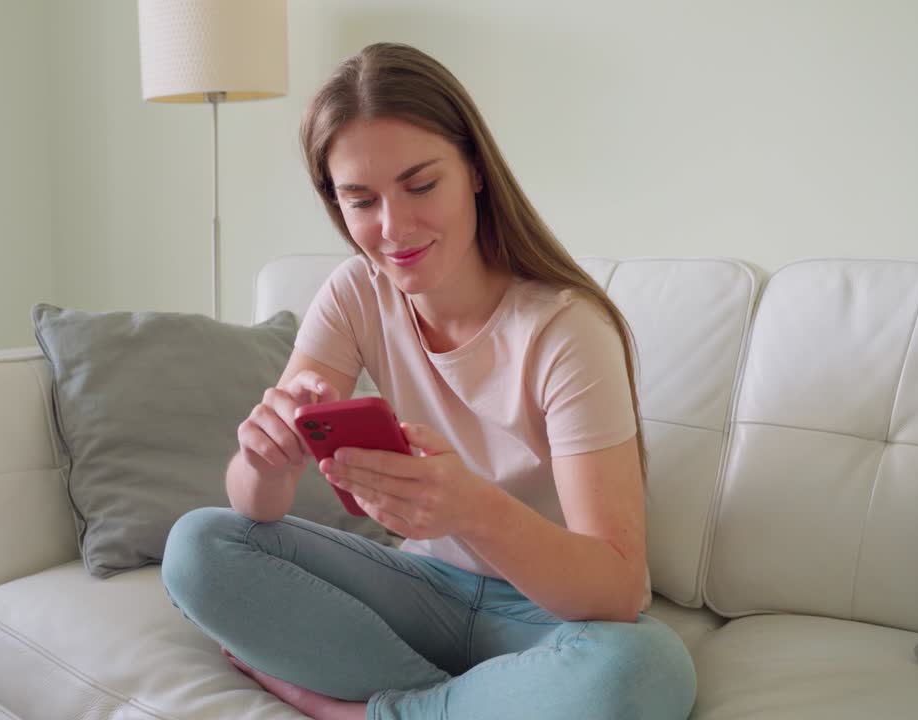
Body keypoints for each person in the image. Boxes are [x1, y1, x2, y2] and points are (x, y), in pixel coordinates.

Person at [161, 42, 697, 720]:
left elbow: (617, 591)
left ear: (474, 169)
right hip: (418, 589)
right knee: (198, 546)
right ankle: (456, 706)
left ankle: (362, 712)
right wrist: (263, 460)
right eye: (360, 201)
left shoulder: (566, 330)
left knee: (645, 672)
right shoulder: (356, 293)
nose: (393, 229)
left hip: (551, 615)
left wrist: (472, 509)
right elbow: (258, 510)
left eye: (421, 186)